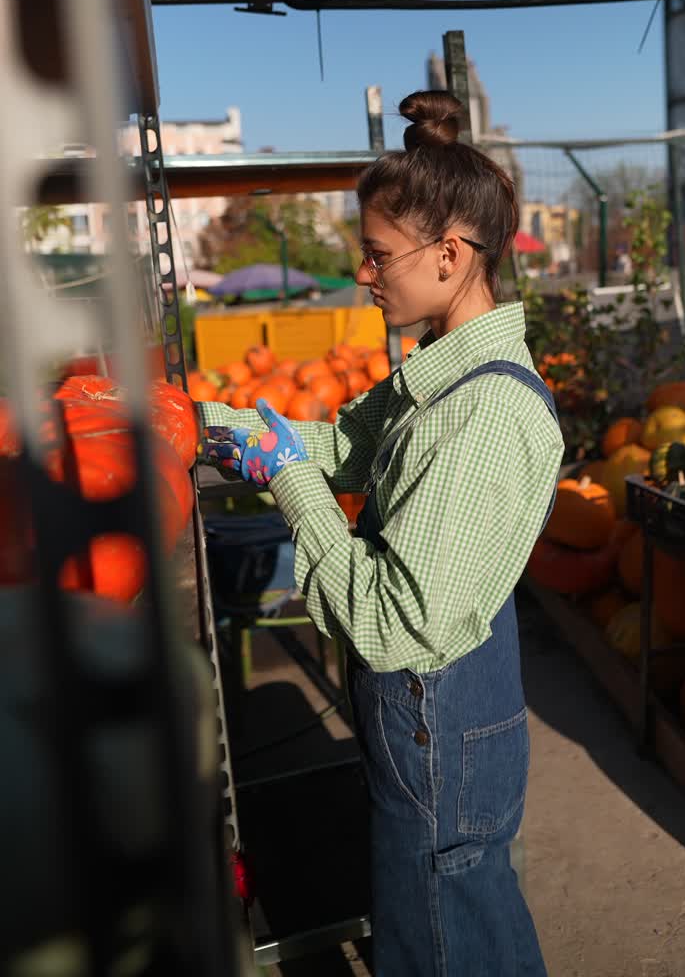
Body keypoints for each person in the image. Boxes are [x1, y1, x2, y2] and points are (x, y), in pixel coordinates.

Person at [197, 90, 564, 976]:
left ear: (449, 254)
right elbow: (347, 446)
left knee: (439, 923)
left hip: (439, 708)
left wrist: (289, 481)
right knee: (465, 903)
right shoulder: (439, 378)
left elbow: (390, 623)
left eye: (375, 255)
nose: (364, 273)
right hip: (433, 714)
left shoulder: (481, 414)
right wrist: (221, 427)